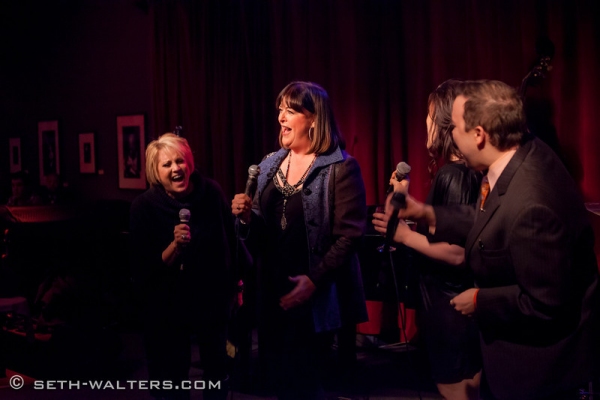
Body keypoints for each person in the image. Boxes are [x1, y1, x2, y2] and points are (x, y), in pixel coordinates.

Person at [390, 79, 600, 400]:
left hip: (536, 371)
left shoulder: (532, 204)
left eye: (455, 127)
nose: (451, 136)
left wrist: (478, 300)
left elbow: (544, 304)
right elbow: (495, 219)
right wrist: (430, 214)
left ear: (479, 134)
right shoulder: (522, 151)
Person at [231, 81, 368, 399]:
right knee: (277, 381)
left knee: (310, 384)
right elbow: (258, 236)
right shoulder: (267, 166)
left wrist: (314, 281)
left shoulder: (341, 167)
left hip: (315, 295)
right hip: (271, 292)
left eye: (290, 110)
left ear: (314, 119)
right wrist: (246, 219)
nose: (281, 117)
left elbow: (349, 238)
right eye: (280, 109)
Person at [374, 79, 483, 400]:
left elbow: (456, 252)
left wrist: (405, 235)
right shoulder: (463, 172)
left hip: (449, 307)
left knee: (457, 389)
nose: (425, 122)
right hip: (451, 308)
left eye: (429, 114)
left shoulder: (454, 175)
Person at [129, 133, 239, 400]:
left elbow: (232, 242)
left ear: (189, 163)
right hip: (165, 305)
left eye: (180, 161)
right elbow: (143, 269)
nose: (176, 168)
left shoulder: (211, 192)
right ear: (155, 171)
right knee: (170, 377)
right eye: (167, 164)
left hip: (210, 299)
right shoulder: (143, 207)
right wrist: (175, 246)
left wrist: (237, 283)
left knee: (216, 371)